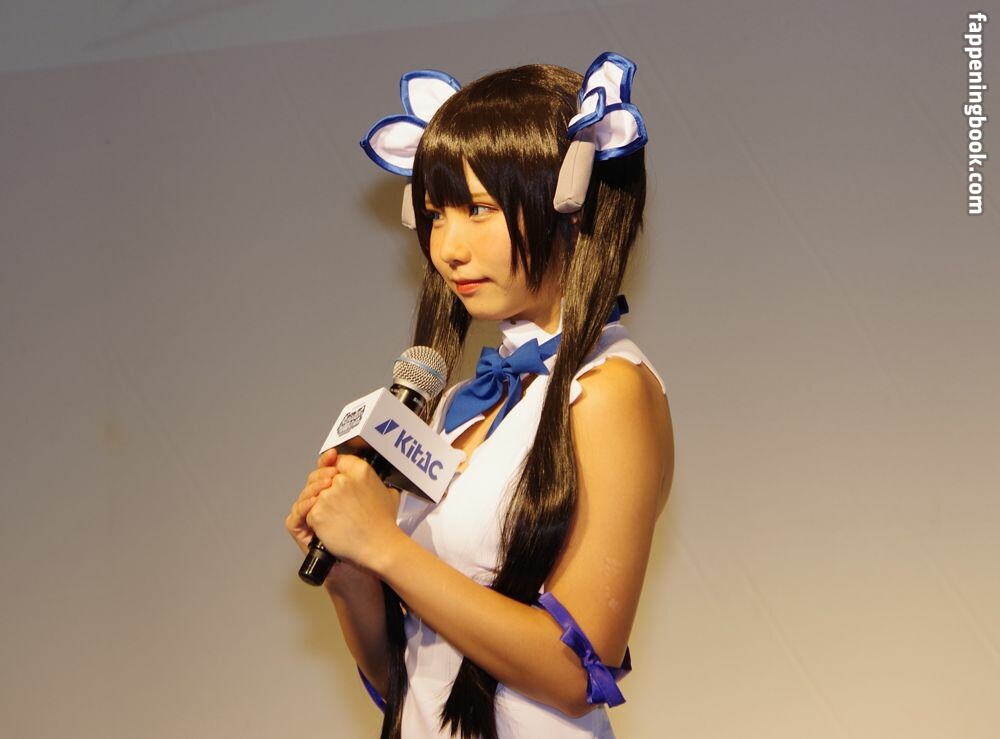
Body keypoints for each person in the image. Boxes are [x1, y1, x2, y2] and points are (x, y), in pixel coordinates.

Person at [286, 53, 673, 739]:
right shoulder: (457, 402)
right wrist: (351, 568)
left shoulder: (611, 388)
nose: (448, 248)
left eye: (478, 210)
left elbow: (576, 671)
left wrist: (386, 546)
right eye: (436, 216)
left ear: (570, 205)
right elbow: (409, 680)